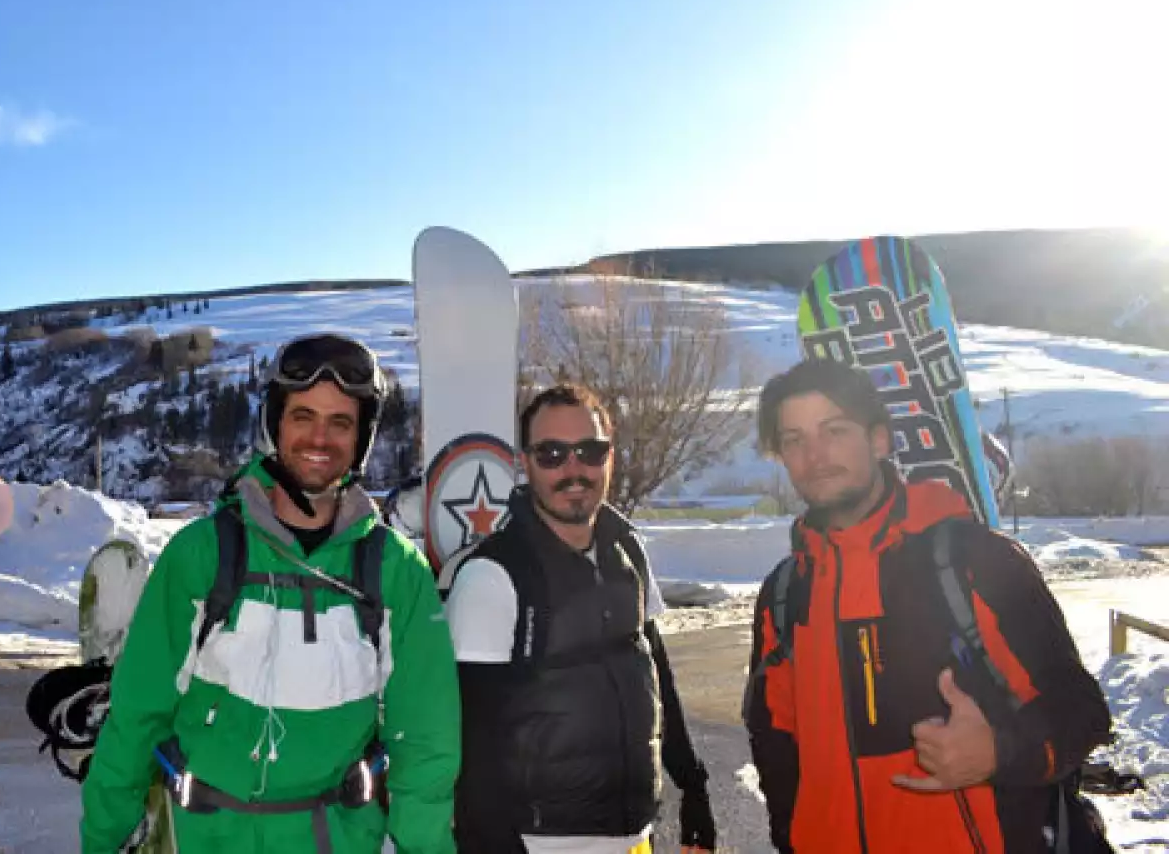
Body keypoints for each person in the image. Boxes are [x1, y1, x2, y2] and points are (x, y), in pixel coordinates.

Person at [79, 333, 461, 854]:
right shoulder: (202, 555)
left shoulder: (395, 572)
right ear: (275, 423)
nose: (319, 438)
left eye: (340, 422)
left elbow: (424, 740)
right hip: (207, 838)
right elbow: (138, 715)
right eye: (303, 416)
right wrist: (102, 838)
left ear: (362, 438)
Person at [743, 358, 1113, 854]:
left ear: (879, 440)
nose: (815, 454)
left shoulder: (974, 561)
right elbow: (775, 742)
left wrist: (997, 751)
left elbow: (1081, 710)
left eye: (834, 430)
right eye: (794, 439)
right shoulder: (784, 594)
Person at [443, 383, 717, 854]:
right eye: (552, 453)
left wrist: (693, 787)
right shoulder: (491, 576)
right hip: (542, 843)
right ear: (526, 463)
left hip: (634, 836)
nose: (573, 470)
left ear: (610, 457)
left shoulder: (627, 551)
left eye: (590, 451)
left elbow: (655, 676)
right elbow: (469, 749)